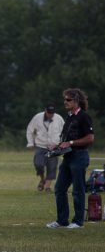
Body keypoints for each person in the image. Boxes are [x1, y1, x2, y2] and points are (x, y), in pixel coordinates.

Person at [46, 88, 95, 229]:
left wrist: (72, 143)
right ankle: (62, 220)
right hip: (68, 157)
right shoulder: (69, 117)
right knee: (59, 188)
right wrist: (57, 146)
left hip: (79, 157)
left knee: (77, 190)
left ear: (76, 101)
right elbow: (67, 139)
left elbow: (90, 138)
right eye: (65, 99)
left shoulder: (84, 116)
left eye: (68, 100)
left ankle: (78, 222)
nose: (65, 102)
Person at [26, 104, 65, 192]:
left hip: (54, 147)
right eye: (48, 112)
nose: (50, 114)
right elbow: (30, 130)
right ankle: (42, 179)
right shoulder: (37, 117)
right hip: (41, 145)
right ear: (45, 110)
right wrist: (30, 142)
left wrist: (61, 144)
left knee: (52, 167)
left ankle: (47, 187)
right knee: (38, 164)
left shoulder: (59, 118)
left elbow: (64, 131)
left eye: (52, 113)